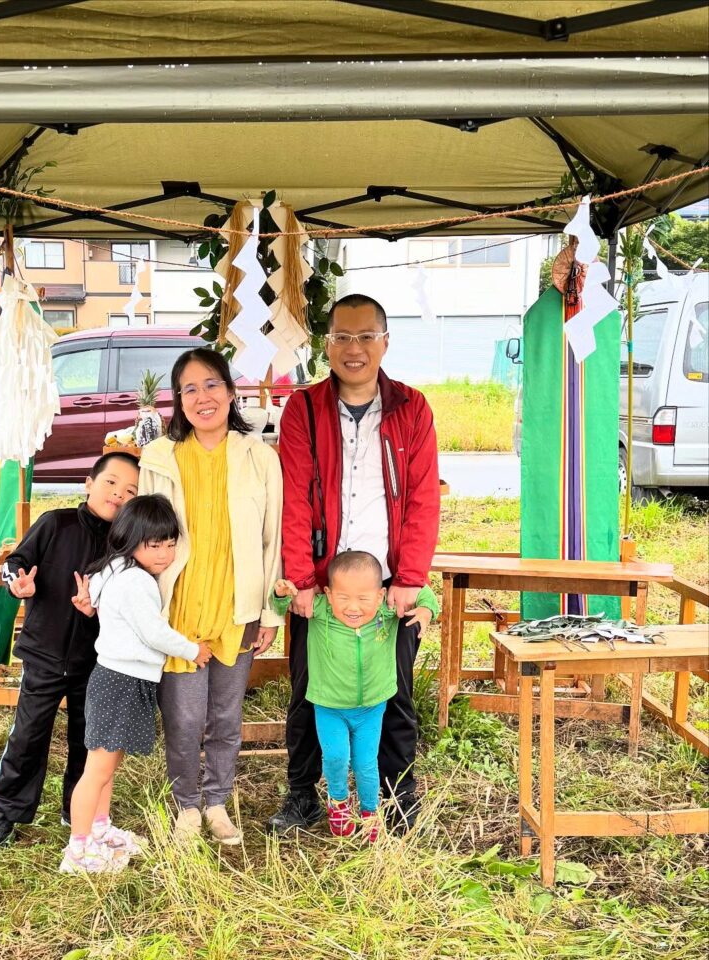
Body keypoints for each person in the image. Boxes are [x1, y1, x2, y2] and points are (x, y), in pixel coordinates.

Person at [270, 293, 440, 835]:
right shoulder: (304, 408)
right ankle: (303, 795)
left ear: (385, 342)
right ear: (327, 344)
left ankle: (396, 795)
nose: (354, 348)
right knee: (307, 692)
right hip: (321, 586)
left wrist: (411, 577)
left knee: (395, 690)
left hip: (389, 584)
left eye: (367, 336)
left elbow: (422, 499)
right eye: (343, 336)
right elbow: (294, 494)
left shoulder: (412, 408)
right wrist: (298, 577)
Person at [139, 348, 284, 845]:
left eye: (212, 384)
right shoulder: (159, 458)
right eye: (190, 389)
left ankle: (217, 801)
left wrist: (269, 612)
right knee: (183, 717)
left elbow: (273, 540)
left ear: (230, 390)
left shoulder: (258, 456)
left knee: (225, 715)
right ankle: (186, 806)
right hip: (177, 609)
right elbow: (144, 538)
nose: (203, 397)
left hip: (236, 607)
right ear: (178, 401)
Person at [0, 452, 140, 850]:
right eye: (111, 483)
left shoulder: (125, 545)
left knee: (88, 738)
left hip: (96, 662)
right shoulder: (56, 523)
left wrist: (96, 611)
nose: (118, 495)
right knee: (28, 735)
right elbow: (16, 561)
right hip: (44, 656)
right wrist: (18, 582)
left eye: (129, 491)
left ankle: (76, 810)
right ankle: (6, 814)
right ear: (89, 483)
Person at [60, 494, 212, 873]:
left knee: (107, 766)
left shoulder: (116, 568)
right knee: (97, 768)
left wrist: (89, 601)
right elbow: (153, 632)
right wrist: (194, 650)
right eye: (153, 544)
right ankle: (78, 850)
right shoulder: (136, 581)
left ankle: (100, 828)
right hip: (121, 681)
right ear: (131, 539)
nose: (164, 553)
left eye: (170, 543)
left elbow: (93, 589)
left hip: (118, 678)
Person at [272, 552, 438, 842]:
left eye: (363, 599)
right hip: (329, 707)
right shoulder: (321, 611)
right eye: (344, 597)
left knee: (365, 763)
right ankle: (338, 803)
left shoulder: (386, 612)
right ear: (327, 593)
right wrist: (281, 593)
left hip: (371, 709)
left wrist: (426, 611)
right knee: (336, 757)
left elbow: (423, 590)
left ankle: (369, 811)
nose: (353, 608)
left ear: (380, 594)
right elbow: (286, 603)